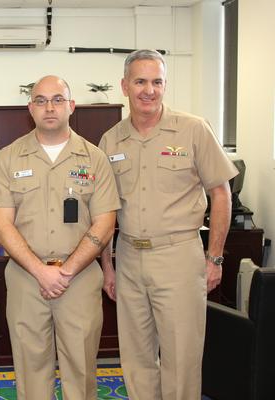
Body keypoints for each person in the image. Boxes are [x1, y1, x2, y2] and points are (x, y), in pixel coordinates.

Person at [98, 49, 238, 400]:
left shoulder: (193, 129)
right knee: (136, 358)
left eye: (157, 82)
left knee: (181, 359)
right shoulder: (111, 140)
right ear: (124, 86)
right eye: (140, 81)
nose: (149, 90)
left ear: (165, 85)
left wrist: (215, 258)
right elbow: (105, 210)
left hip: (178, 256)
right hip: (129, 258)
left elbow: (221, 194)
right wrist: (108, 266)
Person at [0, 75, 120, 400]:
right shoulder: (9, 158)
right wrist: (41, 271)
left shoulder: (94, 159)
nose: (50, 107)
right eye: (42, 100)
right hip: (25, 280)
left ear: (71, 106)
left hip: (80, 280)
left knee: (82, 371)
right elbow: (2, 224)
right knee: (31, 373)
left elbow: (105, 223)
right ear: (30, 108)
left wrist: (67, 271)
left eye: (58, 99)